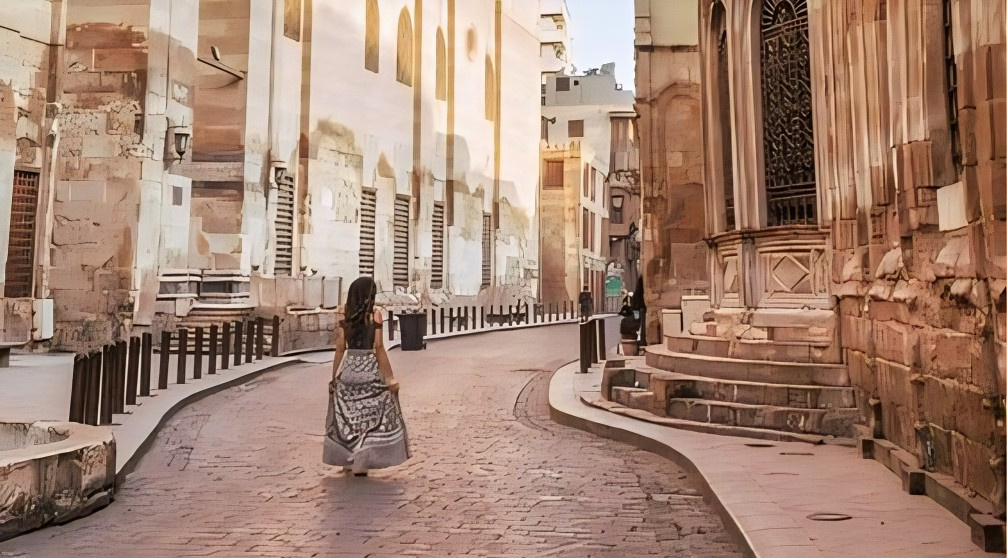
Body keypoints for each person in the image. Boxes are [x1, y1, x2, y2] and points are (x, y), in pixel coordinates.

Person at [323, 277, 410, 476]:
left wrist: (334, 377)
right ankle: (362, 460)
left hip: (349, 370)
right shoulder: (375, 317)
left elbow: (339, 349)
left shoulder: (345, 319)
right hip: (368, 369)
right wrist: (389, 377)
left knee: (347, 417)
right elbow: (378, 347)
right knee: (368, 417)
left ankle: (347, 458)